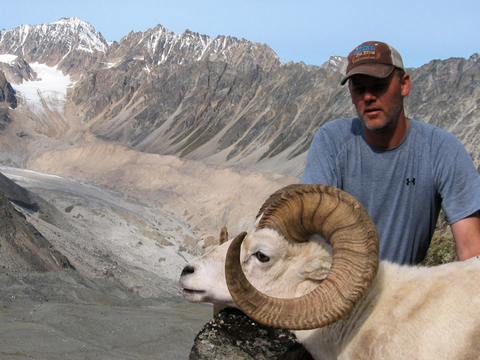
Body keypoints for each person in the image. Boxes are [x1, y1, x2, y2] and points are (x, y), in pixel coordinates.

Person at [301, 40, 480, 264]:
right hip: (338, 283)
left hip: (402, 289)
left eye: (378, 85)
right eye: (359, 88)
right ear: (351, 94)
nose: (368, 97)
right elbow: (310, 232)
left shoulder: (442, 149)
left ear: (404, 85)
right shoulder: (331, 140)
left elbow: (472, 251)